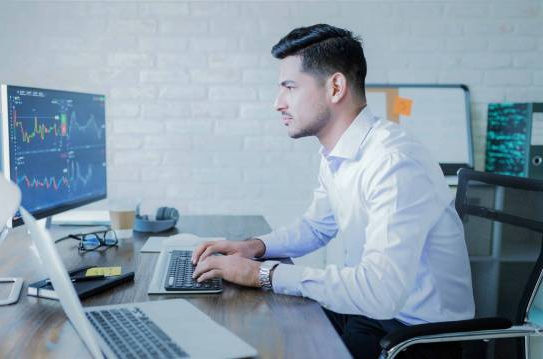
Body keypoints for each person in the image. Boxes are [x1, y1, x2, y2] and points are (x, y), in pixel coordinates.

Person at [191, 24, 474, 359]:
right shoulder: (337, 153)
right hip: (369, 315)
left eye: (290, 87)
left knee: (267, 343)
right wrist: (255, 247)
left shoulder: (394, 163)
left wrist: (262, 274)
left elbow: (381, 292)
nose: (277, 103)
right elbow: (316, 226)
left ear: (335, 87)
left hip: (414, 339)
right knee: (255, 331)